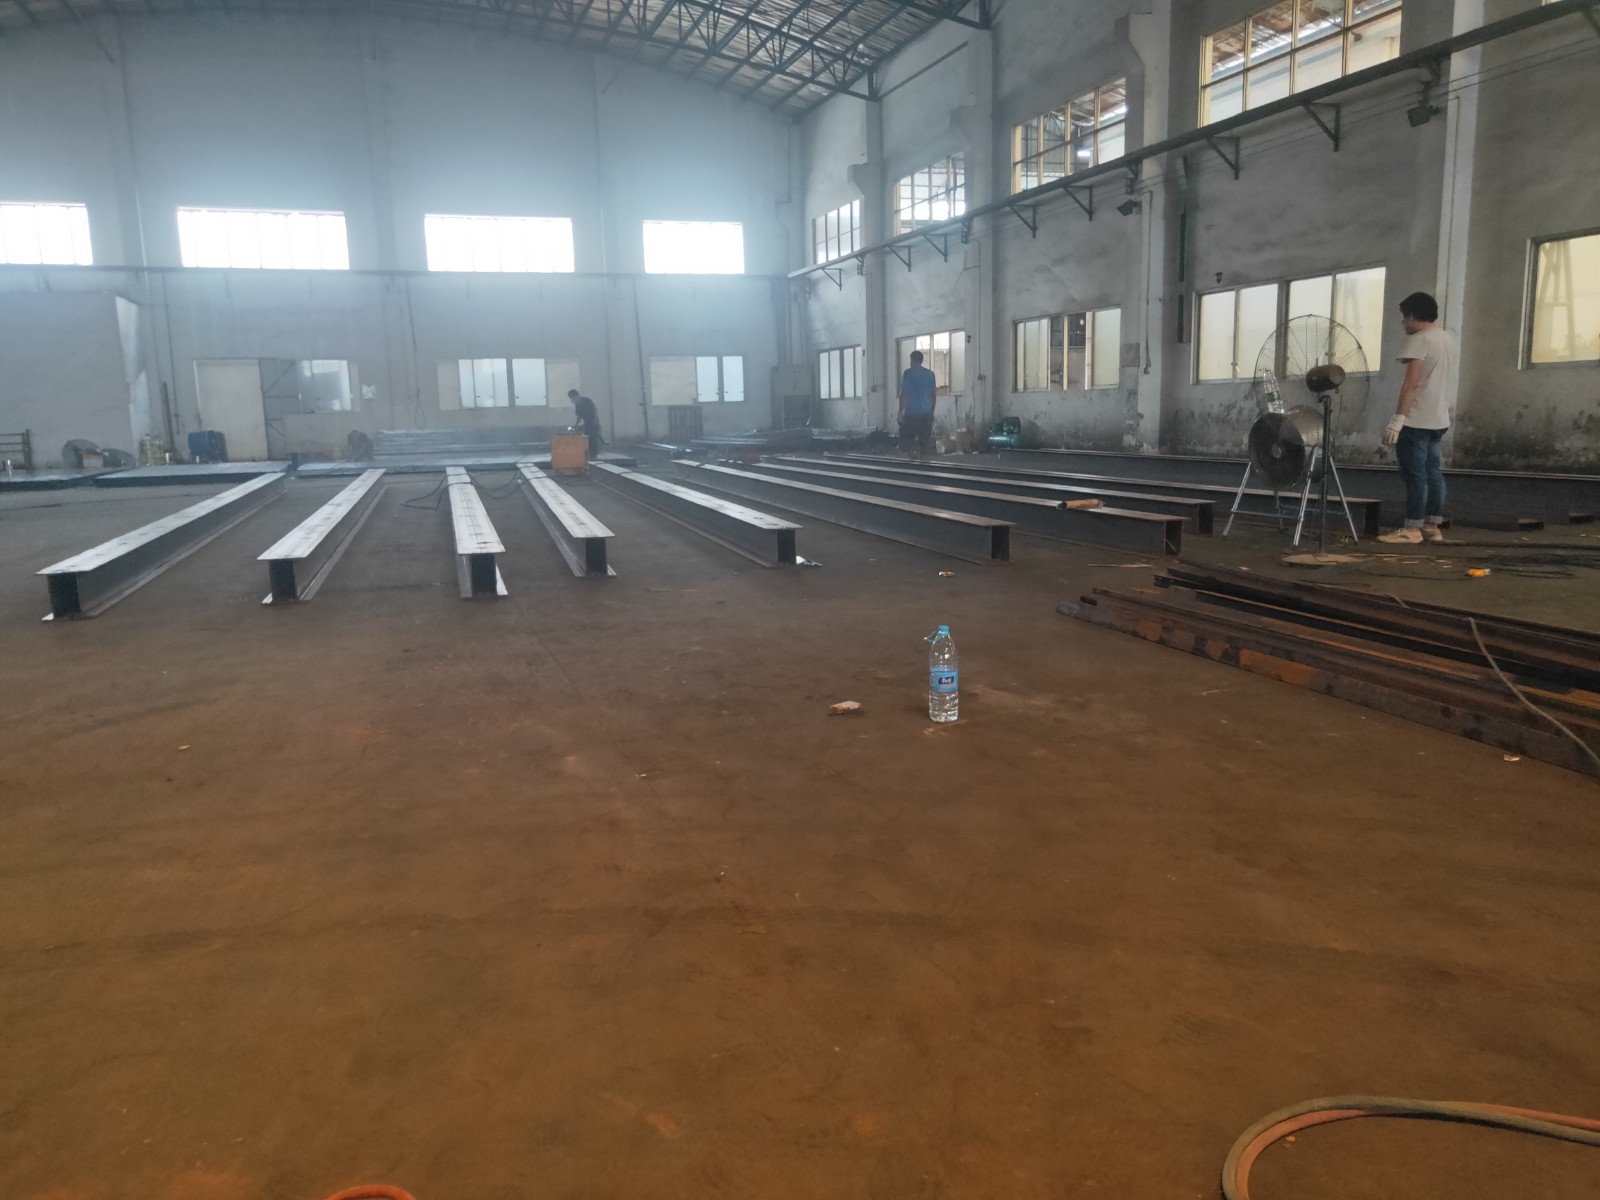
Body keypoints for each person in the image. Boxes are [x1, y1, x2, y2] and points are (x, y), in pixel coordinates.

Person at [1378, 292, 1459, 544]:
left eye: (1404, 318)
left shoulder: (1419, 340)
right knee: (1433, 473)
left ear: (1412, 316)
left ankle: (1412, 529)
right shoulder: (1447, 339)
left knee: (1415, 476)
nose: (1403, 323)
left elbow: (1412, 383)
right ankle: (1431, 527)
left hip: (1416, 419)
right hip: (1439, 418)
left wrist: (1398, 419)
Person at [897, 350, 938, 460]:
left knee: (905, 437)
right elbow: (933, 395)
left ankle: (912, 453)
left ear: (912, 360)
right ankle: (924, 462)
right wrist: (932, 411)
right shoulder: (930, 374)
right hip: (926, 414)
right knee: (924, 442)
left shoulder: (908, 374)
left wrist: (900, 412)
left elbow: (903, 394)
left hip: (911, 414)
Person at [567, 388, 602, 458]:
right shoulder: (578, 405)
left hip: (593, 421)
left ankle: (594, 454)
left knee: (593, 437)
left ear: (576, 396)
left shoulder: (587, 400)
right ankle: (590, 453)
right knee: (587, 437)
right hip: (587, 422)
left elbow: (594, 409)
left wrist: (595, 418)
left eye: (572, 398)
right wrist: (575, 425)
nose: (572, 400)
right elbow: (579, 416)